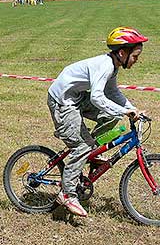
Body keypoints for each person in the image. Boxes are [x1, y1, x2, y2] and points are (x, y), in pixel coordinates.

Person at [47, 26, 148, 217]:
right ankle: (67, 194)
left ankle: (90, 151)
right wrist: (126, 110)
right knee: (82, 147)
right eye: (135, 56)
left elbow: (112, 93)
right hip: (62, 101)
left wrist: (131, 108)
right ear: (122, 52)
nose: (137, 61)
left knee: (113, 116)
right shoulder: (105, 66)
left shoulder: (113, 66)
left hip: (76, 97)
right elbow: (97, 99)